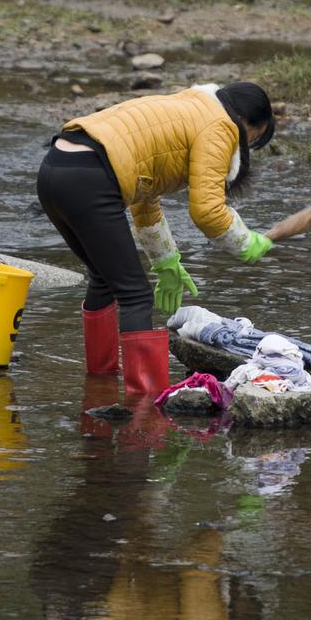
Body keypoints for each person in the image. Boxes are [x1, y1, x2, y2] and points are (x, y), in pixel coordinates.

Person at [36, 82, 276, 397]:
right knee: (136, 296)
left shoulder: (189, 107)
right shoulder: (219, 125)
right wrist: (245, 243)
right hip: (90, 176)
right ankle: (147, 402)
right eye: (254, 138)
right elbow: (207, 211)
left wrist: (166, 262)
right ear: (245, 122)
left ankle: (100, 385)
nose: (246, 146)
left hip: (55, 168)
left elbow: (144, 195)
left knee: (104, 279)